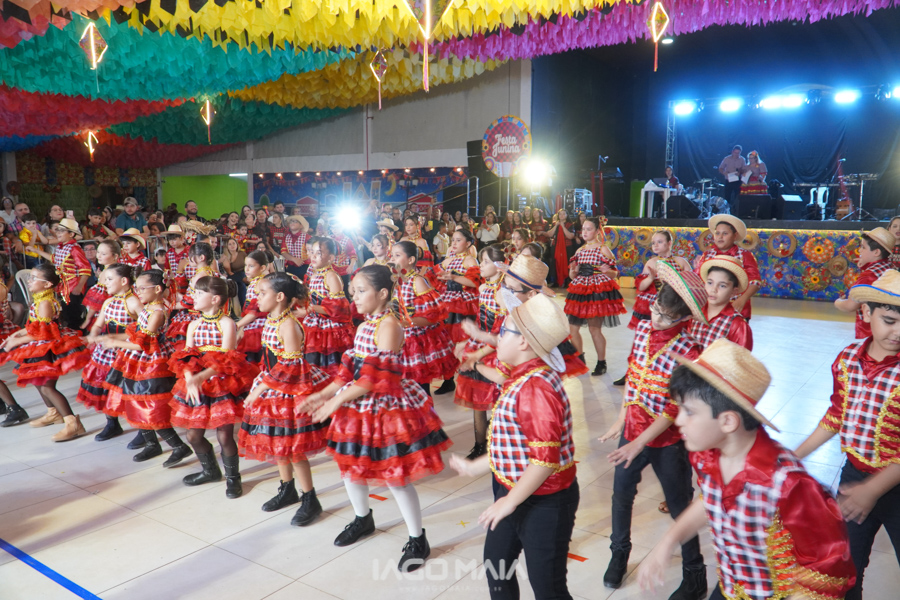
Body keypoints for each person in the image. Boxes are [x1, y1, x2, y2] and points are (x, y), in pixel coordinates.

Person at [638, 339, 856, 600]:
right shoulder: (708, 456)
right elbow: (710, 501)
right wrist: (668, 541)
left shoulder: (788, 484)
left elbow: (827, 566)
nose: (678, 420)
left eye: (689, 411)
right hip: (731, 587)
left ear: (728, 421)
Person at [303, 265, 451, 572]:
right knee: (351, 468)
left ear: (382, 293)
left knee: (395, 477)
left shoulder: (390, 326)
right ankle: (363, 518)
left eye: (361, 291)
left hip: (386, 408)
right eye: (352, 291)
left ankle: (417, 538)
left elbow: (374, 378)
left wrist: (335, 401)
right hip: (357, 406)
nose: (354, 297)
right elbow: (348, 372)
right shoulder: (364, 326)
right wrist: (323, 394)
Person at [450, 293, 579, 600]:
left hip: (546, 501)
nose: (496, 338)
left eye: (503, 332)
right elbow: (514, 445)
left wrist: (509, 502)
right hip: (516, 489)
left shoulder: (537, 388)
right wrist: (475, 466)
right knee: (497, 566)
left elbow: (544, 460)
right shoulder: (522, 374)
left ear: (523, 342)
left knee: (548, 589)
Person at [599, 263, 707, 598]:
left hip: (667, 442)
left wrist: (639, 443)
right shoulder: (644, 330)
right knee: (621, 495)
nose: (657, 319)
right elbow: (633, 378)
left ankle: (694, 573)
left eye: (667, 317)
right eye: (656, 309)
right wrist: (620, 420)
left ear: (684, 318)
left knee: (679, 505)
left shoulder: (688, 351)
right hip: (632, 430)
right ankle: (619, 553)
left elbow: (674, 409)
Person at [796, 269, 900, 599]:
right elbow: (836, 415)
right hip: (854, 477)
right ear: (866, 313)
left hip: (893, 484)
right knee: (846, 568)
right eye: (889, 320)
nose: (898, 332)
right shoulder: (847, 359)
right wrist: (794, 455)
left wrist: (872, 490)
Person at [239, 273, 333, 525]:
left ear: (280, 297)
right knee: (278, 443)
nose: (256, 298)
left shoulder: (288, 325)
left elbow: (290, 365)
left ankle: (310, 498)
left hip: (289, 390)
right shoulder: (271, 320)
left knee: (295, 449)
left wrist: (259, 389)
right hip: (273, 386)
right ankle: (287, 487)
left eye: (262, 293)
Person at [168, 276, 258, 499]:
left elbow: (227, 359)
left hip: (222, 383)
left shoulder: (227, 323)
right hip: (198, 383)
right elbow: (186, 356)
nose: (194, 296)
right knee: (193, 435)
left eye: (200, 293)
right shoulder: (193, 324)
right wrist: (190, 377)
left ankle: (233, 478)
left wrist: (201, 377)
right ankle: (210, 470)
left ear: (215, 299)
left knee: (225, 436)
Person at [101, 269, 192, 466]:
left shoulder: (157, 312)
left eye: (143, 289)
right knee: (135, 400)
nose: (138, 292)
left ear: (157, 289)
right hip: (137, 362)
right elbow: (137, 334)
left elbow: (143, 344)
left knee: (151, 406)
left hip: (151, 364)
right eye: (137, 288)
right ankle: (152, 444)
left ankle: (178, 446)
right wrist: (116, 337)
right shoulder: (149, 308)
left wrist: (115, 343)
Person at [0, 263, 90, 441]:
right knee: (38, 381)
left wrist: (18, 340)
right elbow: (35, 326)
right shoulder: (40, 299)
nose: (29, 280)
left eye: (33, 278)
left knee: (47, 387)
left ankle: (72, 423)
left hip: (49, 348)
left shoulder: (45, 302)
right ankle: (53, 412)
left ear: (47, 284)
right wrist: (17, 334)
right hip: (39, 346)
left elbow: (43, 333)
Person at [77, 264, 142, 441]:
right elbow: (99, 324)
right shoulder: (108, 302)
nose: (105, 283)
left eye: (109, 279)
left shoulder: (134, 302)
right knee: (106, 386)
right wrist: (93, 335)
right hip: (108, 351)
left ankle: (144, 429)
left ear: (124, 281)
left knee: (130, 390)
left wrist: (115, 338)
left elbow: (143, 331)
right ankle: (112, 423)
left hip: (127, 351)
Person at [454, 244, 507, 459]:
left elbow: (502, 331)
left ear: (498, 265)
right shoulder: (484, 288)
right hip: (480, 344)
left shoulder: (503, 292)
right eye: (481, 261)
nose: (481, 266)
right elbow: (480, 322)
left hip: (497, 349)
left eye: (485, 262)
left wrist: (480, 352)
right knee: (478, 401)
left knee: (497, 400)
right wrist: (468, 340)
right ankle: (479, 445)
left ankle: (498, 443)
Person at [390, 241, 458, 397]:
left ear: (411, 260)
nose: (392, 259)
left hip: (418, 338)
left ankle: (427, 410)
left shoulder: (417, 281)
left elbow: (432, 317)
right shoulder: (396, 280)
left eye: (397, 255)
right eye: (392, 255)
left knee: (420, 381)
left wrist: (405, 322)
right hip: (402, 335)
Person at [564, 216, 626, 376]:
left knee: (594, 329)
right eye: (583, 229)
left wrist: (608, 271)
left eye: (589, 229)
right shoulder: (579, 251)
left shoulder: (603, 249)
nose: (585, 232)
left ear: (597, 231)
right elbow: (572, 276)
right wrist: (573, 271)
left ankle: (601, 362)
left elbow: (614, 273)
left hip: (596, 291)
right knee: (572, 328)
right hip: (579, 291)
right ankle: (580, 360)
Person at [298, 237, 355, 376]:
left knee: (329, 365)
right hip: (313, 323)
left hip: (329, 328)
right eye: (312, 252)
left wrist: (309, 310)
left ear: (330, 258)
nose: (313, 256)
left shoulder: (331, 276)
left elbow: (338, 308)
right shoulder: (314, 275)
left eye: (319, 253)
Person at [695, 214, 761, 321]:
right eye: (717, 233)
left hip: (736, 307)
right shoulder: (707, 254)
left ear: (735, 236)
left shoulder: (744, 255)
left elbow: (756, 282)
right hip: (710, 307)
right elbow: (698, 280)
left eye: (725, 233)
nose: (720, 237)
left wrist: (742, 300)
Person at [29, 218, 91, 330]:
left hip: (72, 286)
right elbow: (54, 259)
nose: (58, 233)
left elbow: (85, 269)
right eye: (57, 230)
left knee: (73, 313)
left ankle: (77, 334)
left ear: (71, 234)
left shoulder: (75, 249)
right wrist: (36, 251)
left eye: (62, 231)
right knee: (66, 312)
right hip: (64, 285)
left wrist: (79, 286)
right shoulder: (61, 246)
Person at [834, 227, 895, 339]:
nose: (860, 250)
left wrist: (838, 302)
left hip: (869, 333)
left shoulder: (868, 276)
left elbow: (850, 306)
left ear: (876, 252)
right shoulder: (890, 267)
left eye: (863, 247)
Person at [692, 255, 753, 350]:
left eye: (722, 286)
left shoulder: (737, 325)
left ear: (734, 292)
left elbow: (742, 357)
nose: (713, 290)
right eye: (710, 283)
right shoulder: (693, 314)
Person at [435, 229, 481, 350]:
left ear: (468, 244)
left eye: (458, 240)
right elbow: (432, 277)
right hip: (447, 300)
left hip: (462, 303)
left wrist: (454, 277)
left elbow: (474, 282)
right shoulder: (448, 261)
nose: (454, 243)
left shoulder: (470, 260)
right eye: (453, 240)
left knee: (461, 337)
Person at [235, 251, 269, 363]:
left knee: (254, 361)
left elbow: (254, 313)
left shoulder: (259, 284)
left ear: (262, 267)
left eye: (251, 266)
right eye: (246, 265)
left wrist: (237, 325)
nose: (247, 269)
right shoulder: (256, 282)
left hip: (258, 329)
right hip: (252, 326)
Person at [547, 209, 575, 287]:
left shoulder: (570, 224)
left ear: (567, 215)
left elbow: (570, 236)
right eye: (560, 214)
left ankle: (566, 281)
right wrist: (556, 225)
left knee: (567, 263)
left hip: (567, 247)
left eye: (563, 214)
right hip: (556, 246)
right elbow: (549, 234)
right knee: (555, 263)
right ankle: (556, 281)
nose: (562, 216)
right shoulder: (554, 224)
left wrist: (563, 226)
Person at [718, 145, 747, 213]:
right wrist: (725, 173)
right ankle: (726, 211)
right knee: (727, 196)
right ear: (732, 152)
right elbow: (720, 168)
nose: (736, 155)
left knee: (737, 196)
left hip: (738, 180)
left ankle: (736, 211)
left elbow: (744, 169)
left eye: (738, 153)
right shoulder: (727, 159)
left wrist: (740, 172)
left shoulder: (742, 159)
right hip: (728, 180)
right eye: (735, 153)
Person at [279, 214, 309, 280]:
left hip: (305, 266)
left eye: (295, 221)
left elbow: (311, 251)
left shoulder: (307, 237)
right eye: (291, 221)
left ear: (301, 225)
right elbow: (283, 252)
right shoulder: (286, 236)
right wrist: (294, 259)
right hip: (290, 266)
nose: (292, 223)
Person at [220, 237, 247, 306]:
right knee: (241, 281)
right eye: (230, 244)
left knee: (241, 285)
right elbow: (229, 272)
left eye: (234, 243)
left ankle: (244, 307)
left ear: (237, 244)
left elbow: (248, 264)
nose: (232, 245)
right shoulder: (225, 256)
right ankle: (244, 307)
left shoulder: (242, 253)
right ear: (227, 247)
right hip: (232, 275)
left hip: (243, 273)